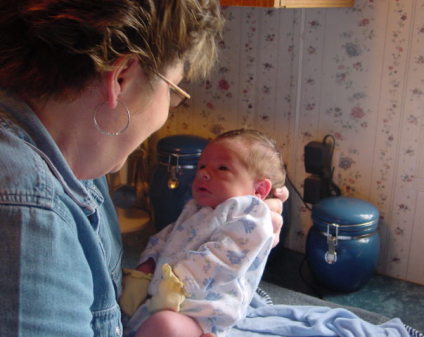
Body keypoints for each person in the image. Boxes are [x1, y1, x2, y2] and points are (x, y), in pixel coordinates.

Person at [0, 2, 289, 337]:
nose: (170, 107)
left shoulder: (79, 171)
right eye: (175, 89)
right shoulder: (29, 211)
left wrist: (244, 232)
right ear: (121, 76)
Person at [121, 129, 287, 337]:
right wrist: (146, 267)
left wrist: (178, 283)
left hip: (203, 310)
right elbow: (168, 236)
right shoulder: (196, 208)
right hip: (165, 292)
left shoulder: (252, 215)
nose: (203, 173)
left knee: (166, 326)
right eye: (202, 165)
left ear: (259, 190)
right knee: (126, 304)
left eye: (222, 168)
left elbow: (225, 257)